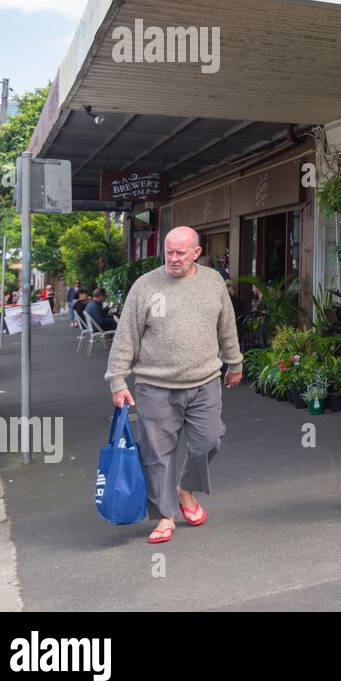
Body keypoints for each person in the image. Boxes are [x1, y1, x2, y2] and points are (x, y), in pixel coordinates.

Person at [105, 226, 243, 544]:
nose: (173, 258)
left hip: (205, 380)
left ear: (196, 253)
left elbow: (227, 326)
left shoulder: (212, 283)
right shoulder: (145, 286)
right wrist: (117, 380)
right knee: (157, 454)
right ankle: (165, 516)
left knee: (209, 440)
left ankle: (185, 489)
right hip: (155, 385)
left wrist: (235, 363)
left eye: (181, 252)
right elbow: (126, 336)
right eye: (169, 251)